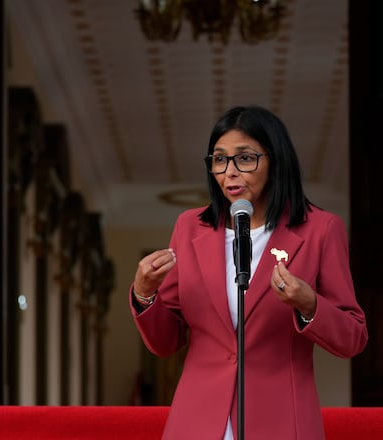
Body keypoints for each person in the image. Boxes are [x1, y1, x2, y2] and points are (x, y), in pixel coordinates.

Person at [130, 105, 368, 439]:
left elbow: (353, 338)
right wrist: (144, 293)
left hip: (283, 421)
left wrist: (309, 304)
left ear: (275, 161)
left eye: (244, 158)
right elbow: (166, 342)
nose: (229, 172)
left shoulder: (321, 230)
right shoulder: (189, 228)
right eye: (219, 159)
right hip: (198, 422)